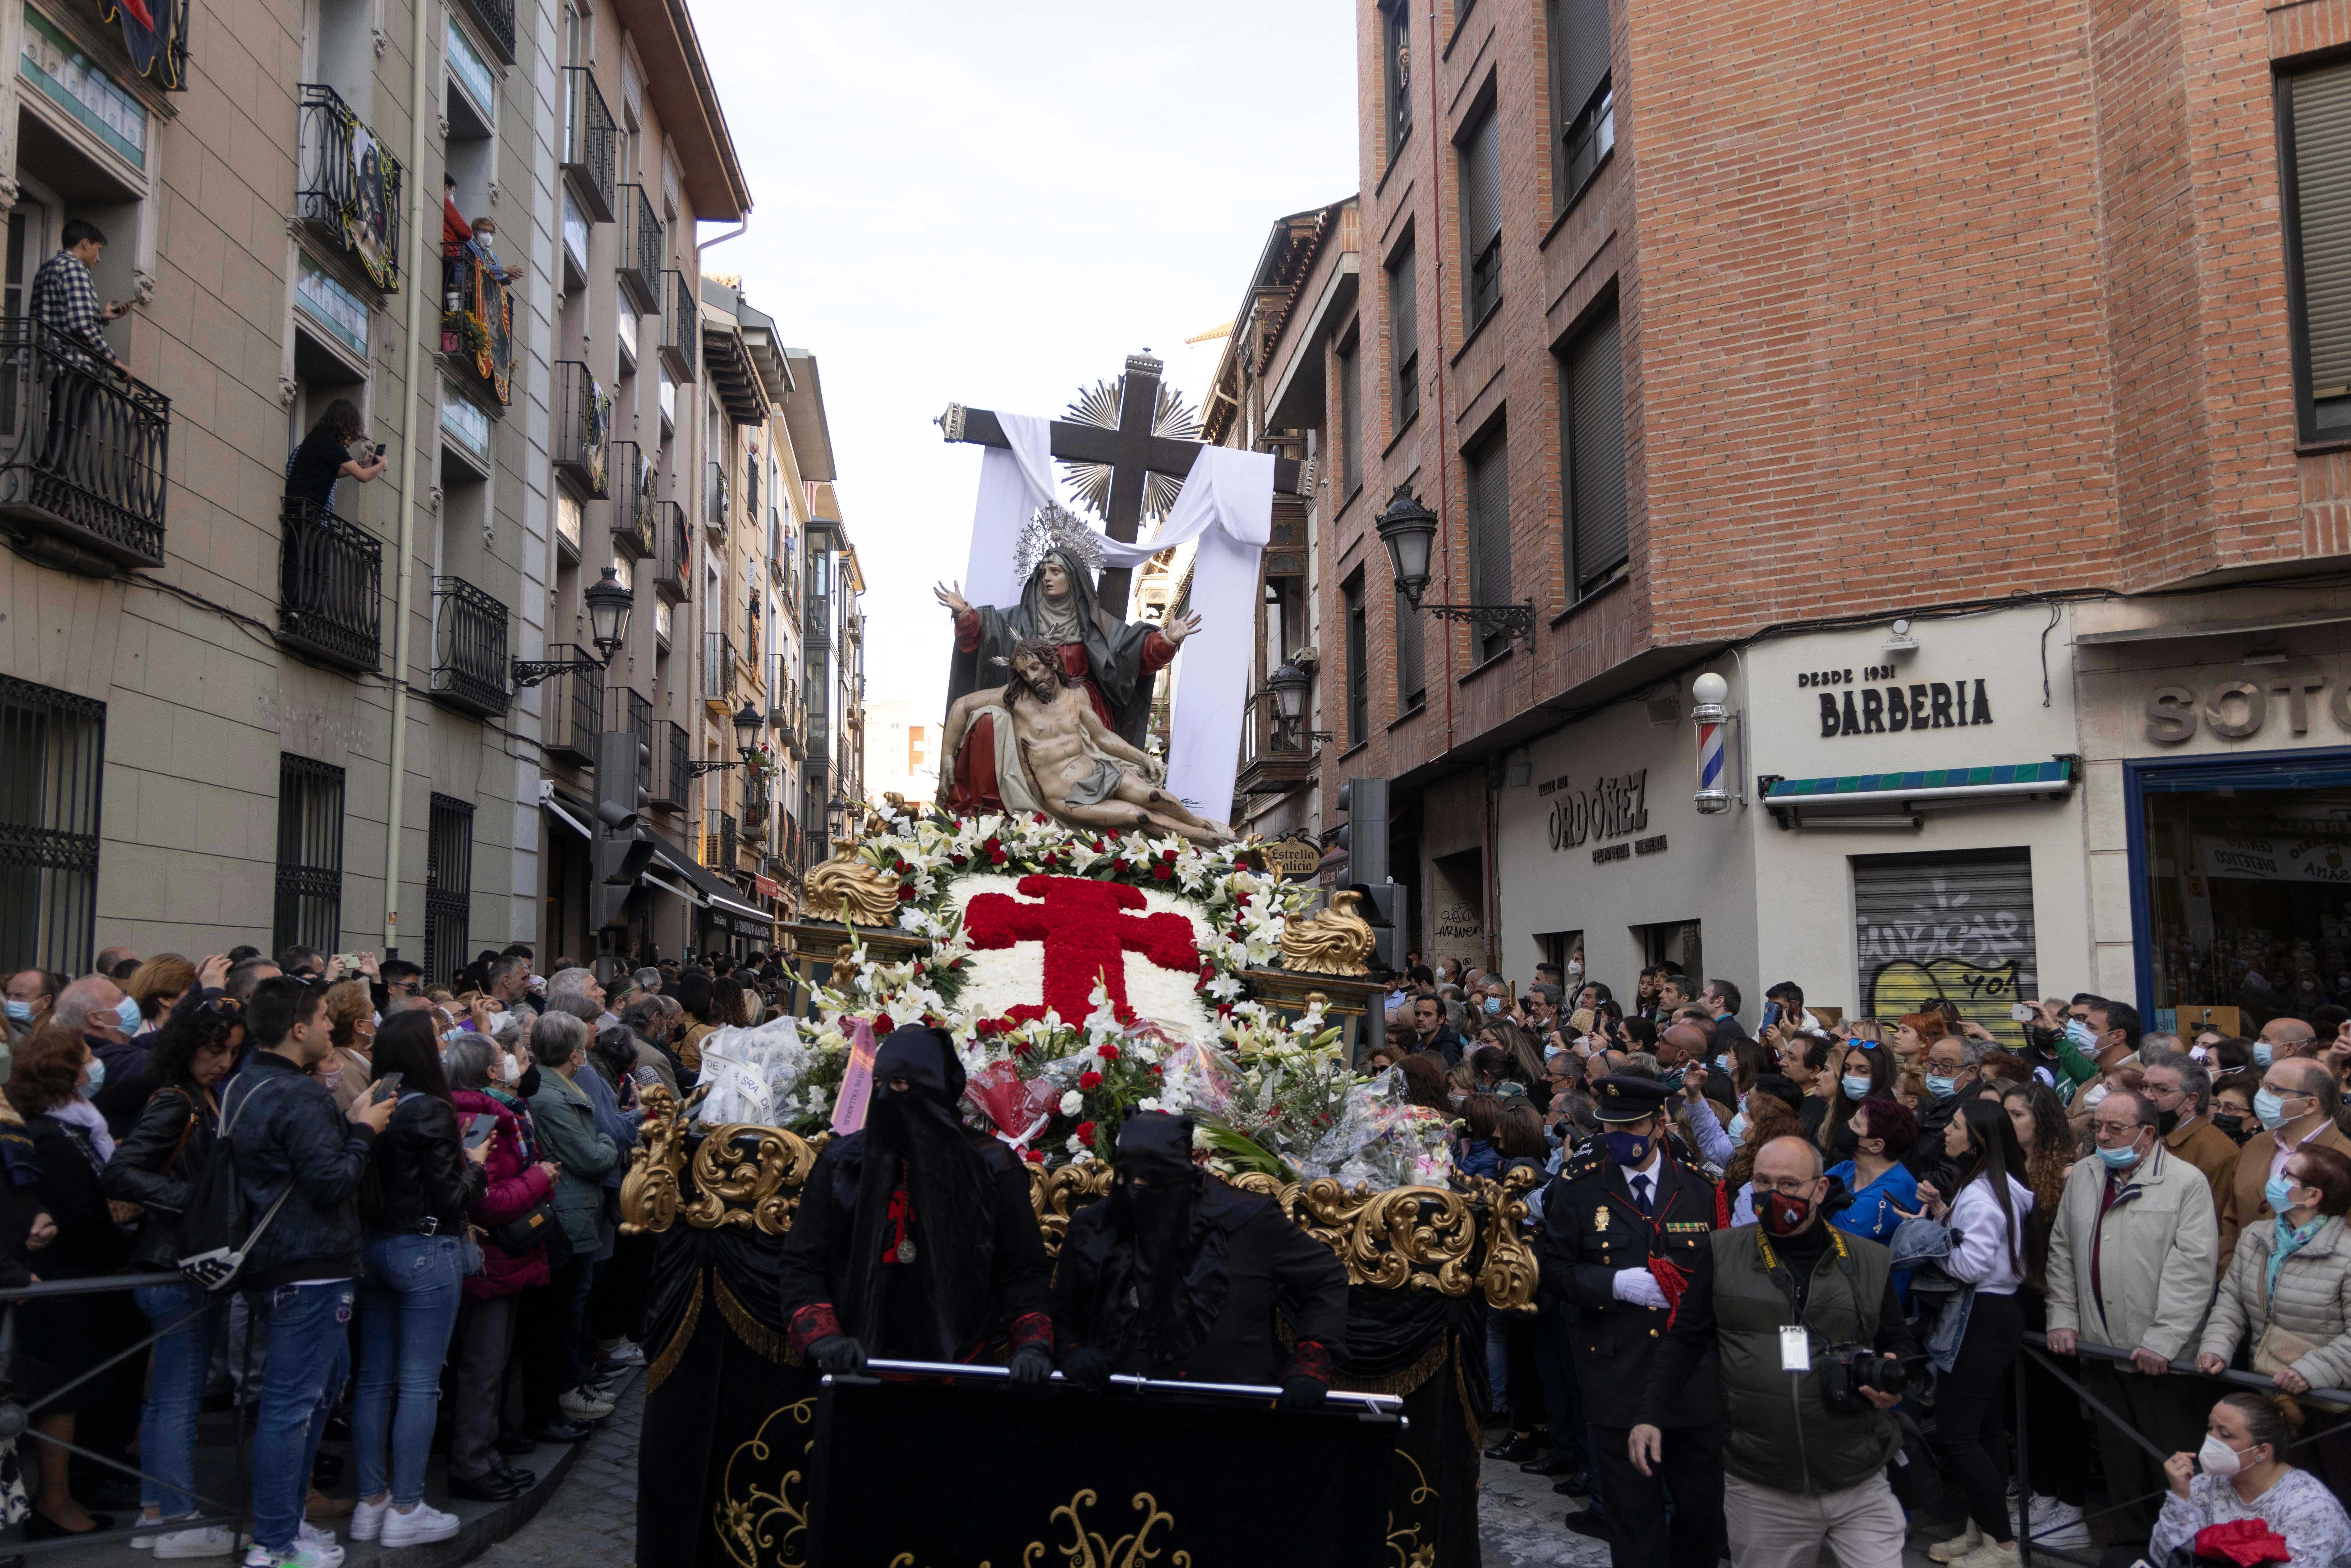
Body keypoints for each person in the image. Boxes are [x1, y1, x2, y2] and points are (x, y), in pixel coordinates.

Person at [1630, 1136, 1915, 1568]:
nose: (1775, 1196)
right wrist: (1650, 1412)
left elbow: (1898, 1341)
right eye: (1763, 1182)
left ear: (1820, 1189)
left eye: (1789, 1183)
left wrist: (1895, 1375)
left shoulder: (1868, 1259)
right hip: (1763, 1488)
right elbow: (1686, 1340)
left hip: (1858, 1477)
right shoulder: (1724, 1252)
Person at [228, 975, 397, 1568]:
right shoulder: (294, 1094)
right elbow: (330, 1181)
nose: (332, 1024)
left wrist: (347, 1121)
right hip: (307, 1265)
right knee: (291, 1405)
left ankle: (286, 1527)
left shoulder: (248, 1082)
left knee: (315, 1392)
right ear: (298, 1029)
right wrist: (362, 1132)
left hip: (287, 1261)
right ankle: (274, 1543)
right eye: (324, 1016)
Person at [777, 1027, 1053, 1373]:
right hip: (856, 1366)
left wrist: (1031, 1346)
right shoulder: (842, 1162)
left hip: (959, 1371)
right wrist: (824, 1338)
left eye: (901, 1085)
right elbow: (803, 1262)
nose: (884, 1099)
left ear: (935, 1091)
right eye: (878, 1085)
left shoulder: (992, 1167)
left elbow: (1023, 1270)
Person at [1537, 1073, 1727, 1561]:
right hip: (1618, 1374)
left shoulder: (1700, 1189)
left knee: (1700, 1514)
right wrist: (1613, 1284)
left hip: (1690, 1380)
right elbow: (1551, 1270)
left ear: (1659, 1124)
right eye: (1609, 1127)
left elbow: (1724, 1273)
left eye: (1632, 1127)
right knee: (1632, 1518)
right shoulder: (1580, 1189)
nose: (1620, 1138)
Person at [1055, 1112, 1345, 1399]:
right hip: (1124, 1413)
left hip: (1235, 1413)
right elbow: (1063, 1314)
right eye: (1128, 1176)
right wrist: (1073, 1352)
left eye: (1151, 1177)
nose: (1137, 1189)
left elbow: (1326, 1277)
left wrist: (1311, 1365)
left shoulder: (1248, 1217)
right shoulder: (1093, 1226)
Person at [2045, 1085, 2220, 1554]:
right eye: (2097, 1125)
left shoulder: (2185, 1182)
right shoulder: (2084, 1174)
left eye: (2113, 1127)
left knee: (2171, 1459)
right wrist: (2062, 1316)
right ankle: (2131, 1546)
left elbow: (2193, 1269)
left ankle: (2187, 1551)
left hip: (2163, 1357)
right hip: (2102, 1348)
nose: (2101, 1134)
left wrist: (2163, 1340)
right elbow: (2062, 1250)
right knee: (2120, 1457)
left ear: (2146, 1132)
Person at [101, 989, 241, 1558]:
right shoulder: (177, 1100)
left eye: (232, 1051)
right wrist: (196, 1201)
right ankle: (173, 1515)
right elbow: (122, 1172)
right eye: (215, 1050)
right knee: (176, 1396)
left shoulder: (199, 1095)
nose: (225, 1061)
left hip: (175, 1261)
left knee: (170, 1394)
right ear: (189, 1045)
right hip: (170, 1263)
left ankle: (160, 1512)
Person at [346, 1011, 486, 1549]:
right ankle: (405, 1506)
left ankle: (371, 1500)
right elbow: (452, 1195)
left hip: (375, 1245)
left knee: (375, 1380)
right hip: (425, 1248)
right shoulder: (429, 1109)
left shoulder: (373, 1102)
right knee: (420, 1382)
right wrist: (473, 1165)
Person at [5, 1025, 140, 1541]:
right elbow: (80, 1216)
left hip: (86, 1281)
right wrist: (130, 1248)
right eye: (87, 1056)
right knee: (62, 1390)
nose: (95, 1064)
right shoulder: (46, 1134)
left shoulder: (79, 1126)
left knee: (84, 1387)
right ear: (63, 1071)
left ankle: (70, 1491)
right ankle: (55, 1500)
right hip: (64, 1285)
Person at [936, 549, 1196, 813]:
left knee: (1107, 786)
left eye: (1055, 572)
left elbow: (1135, 653)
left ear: (1072, 578)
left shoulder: (1096, 625)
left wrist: (1167, 640)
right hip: (1032, 712)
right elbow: (986, 633)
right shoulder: (1021, 620)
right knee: (988, 718)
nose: (1047, 578)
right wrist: (965, 615)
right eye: (1043, 572)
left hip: (1082, 709)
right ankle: (993, 811)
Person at [1912, 1101, 2037, 1567]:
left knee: (1959, 1433)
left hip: (1983, 1315)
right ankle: (1985, 1529)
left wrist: (1931, 1241)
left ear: (1979, 1139)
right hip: (1992, 1314)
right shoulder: (1989, 1187)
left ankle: (2003, 1545)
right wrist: (1944, 1212)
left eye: (1957, 1125)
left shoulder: (1984, 1195)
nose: (1946, 1130)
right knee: (1983, 1431)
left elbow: (1969, 1264)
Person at [444, 1035, 555, 1491]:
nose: (520, 1061)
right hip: (491, 1258)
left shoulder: (498, 1111)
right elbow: (483, 1199)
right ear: (491, 1072)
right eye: (510, 1057)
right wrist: (539, 1176)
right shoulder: (477, 1118)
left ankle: (487, 1453)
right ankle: (473, 1462)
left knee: (494, 1361)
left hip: (505, 1258)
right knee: (482, 1365)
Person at [1999, 1079, 2092, 1545]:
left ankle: (2070, 1502)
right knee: (2026, 1405)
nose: (2009, 1121)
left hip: (2050, 1301)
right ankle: (2042, 1490)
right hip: (2014, 1297)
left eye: (2017, 1114)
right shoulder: (2007, 1167)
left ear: (2042, 1120)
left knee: (2059, 1406)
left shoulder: (2068, 1172)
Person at [521, 1013, 618, 1432]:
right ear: (573, 1050)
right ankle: (564, 1389)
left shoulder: (562, 1085)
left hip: (578, 1206)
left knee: (575, 1299)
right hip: (568, 1207)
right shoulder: (552, 1095)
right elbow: (592, 1155)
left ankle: (572, 1382)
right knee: (564, 1309)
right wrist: (609, 1139)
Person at [2200, 1144, 2351, 1392]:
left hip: (2321, 1394)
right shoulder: (2255, 1236)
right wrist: (2216, 1347)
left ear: (2313, 1196)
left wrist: (2310, 1372)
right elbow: (2231, 1302)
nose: (2274, 1180)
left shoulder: (2345, 1255)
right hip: (2262, 1383)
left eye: (2285, 1175)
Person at [2153, 1392, 2351, 1566]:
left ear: (2262, 1452)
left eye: (2225, 1434)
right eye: (2210, 1428)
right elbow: (2165, 1559)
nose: (2211, 1440)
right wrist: (2180, 1498)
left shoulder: (2310, 1505)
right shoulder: (2206, 1484)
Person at [2220, 1055, 2351, 1276]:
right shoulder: (2256, 1144)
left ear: (2310, 1105)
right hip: (2239, 1291)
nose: (2262, 1096)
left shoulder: (2345, 1158)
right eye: (2264, 1086)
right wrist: (2227, 1272)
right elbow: (2230, 1219)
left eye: (2274, 1090)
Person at [2142, 1049, 2237, 1210]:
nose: (2147, 1096)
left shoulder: (2220, 1154)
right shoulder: (2142, 1135)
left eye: (2161, 1090)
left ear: (2191, 1100)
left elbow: (2214, 1224)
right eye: (2144, 1087)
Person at [1826, 1095, 1918, 1247]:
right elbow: (1807, 1199)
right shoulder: (1847, 1168)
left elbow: (1836, 1233)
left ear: (1876, 1145)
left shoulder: (1894, 1190)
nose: (1846, 1126)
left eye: (1856, 1124)